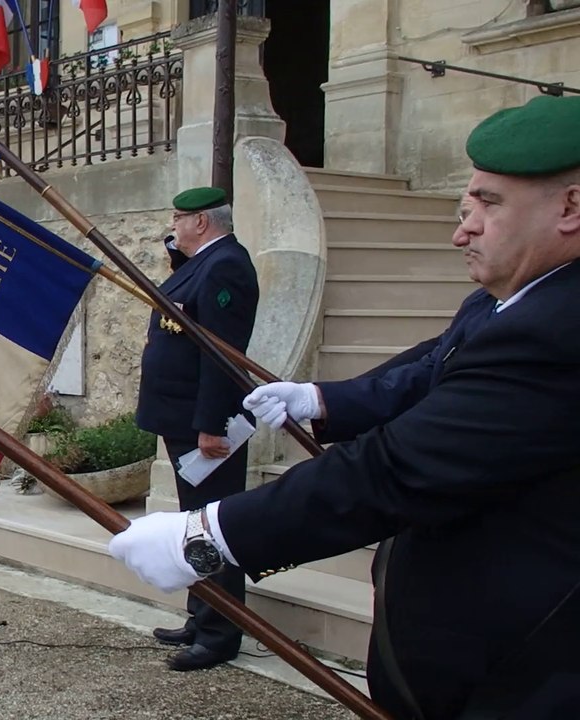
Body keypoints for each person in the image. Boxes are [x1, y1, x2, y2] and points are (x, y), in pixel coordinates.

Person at [108, 94, 580, 719]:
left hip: (525, 673)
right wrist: (323, 398)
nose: (461, 229)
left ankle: (216, 625)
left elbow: (392, 470)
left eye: (488, 205)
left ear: (570, 207)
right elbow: (431, 365)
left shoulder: (558, 327)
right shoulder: (511, 301)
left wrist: (210, 536)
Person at [132, 186, 259, 672]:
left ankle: (220, 633)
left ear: (201, 222)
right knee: (194, 524)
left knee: (213, 529)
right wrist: (175, 253)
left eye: (179, 221)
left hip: (203, 422)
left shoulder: (226, 264)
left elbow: (221, 352)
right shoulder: (204, 262)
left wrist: (210, 424)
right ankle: (201, 613)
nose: (173, 227)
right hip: (182, 416)